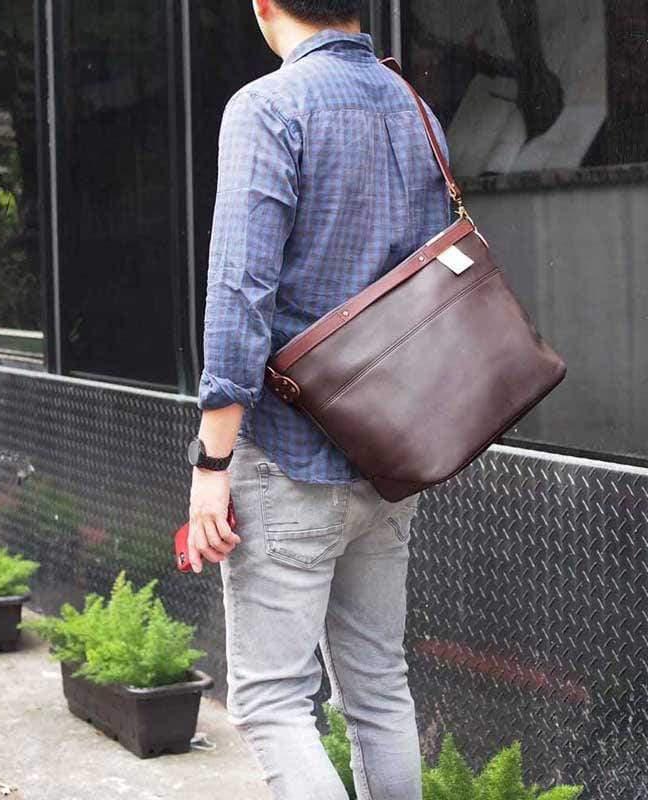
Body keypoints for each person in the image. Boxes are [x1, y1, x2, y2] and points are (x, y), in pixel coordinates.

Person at [187, 1, 452, 797]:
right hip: (388, 453)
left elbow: (240, 294)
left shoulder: (268, 107)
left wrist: (211, 463)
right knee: (378, 690)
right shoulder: (416, 108)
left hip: (290, 455)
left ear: (265, 4)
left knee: (271, 702)